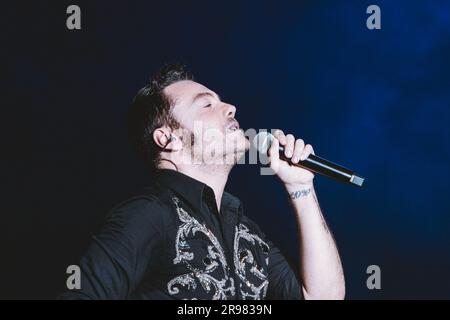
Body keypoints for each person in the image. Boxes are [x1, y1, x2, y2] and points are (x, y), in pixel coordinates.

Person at [59, 64, 345, 300]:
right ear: (167, 138)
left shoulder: (245, 232)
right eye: (207, 104)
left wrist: (300, 187)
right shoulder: (148, 215)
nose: (231, 108)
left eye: (222, 101)